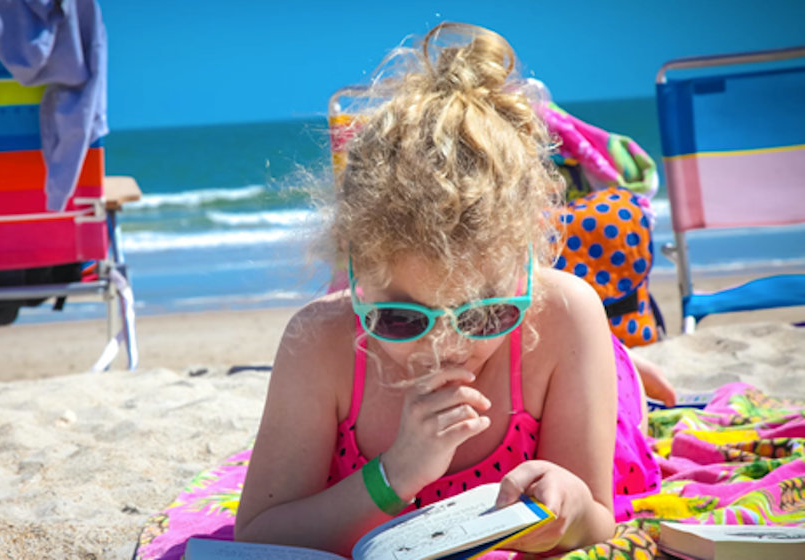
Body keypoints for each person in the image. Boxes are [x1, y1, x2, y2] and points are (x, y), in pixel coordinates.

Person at [235, 22, 664, 556]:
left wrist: (569, 508)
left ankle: (624, 368)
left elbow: (597, 517)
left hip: (572, 354)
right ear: (354, 275)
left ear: (527, 264)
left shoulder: (562, 314)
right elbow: (257, 535)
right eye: (402, 318)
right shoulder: (319, 339)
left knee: (624, 398)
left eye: (485, 315)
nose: (444, 345)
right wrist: (394, 474)